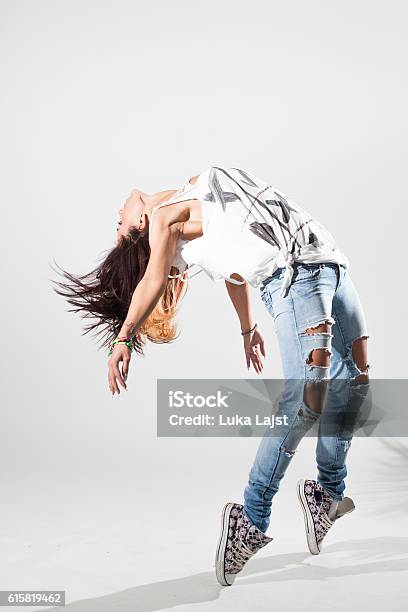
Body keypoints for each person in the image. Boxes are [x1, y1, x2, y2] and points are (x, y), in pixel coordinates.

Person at [51, 165, 370, 587]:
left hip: (328, 262)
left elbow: (233, 273)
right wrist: (123, 338)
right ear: (142, 224)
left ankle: (326, 496)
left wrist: (247, 328)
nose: (118, 215)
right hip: (297, 277)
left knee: (356, 384)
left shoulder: (187, 200)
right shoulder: (167, 219)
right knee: (304, 402)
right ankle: (250, 521)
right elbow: (153, 276)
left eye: (116, 222)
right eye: (120, 224)